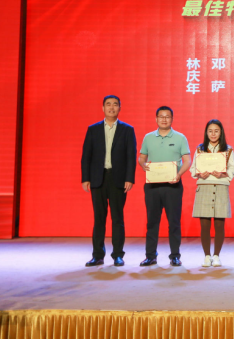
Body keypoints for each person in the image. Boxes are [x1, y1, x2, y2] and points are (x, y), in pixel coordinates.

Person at [80, 95, 137, 267]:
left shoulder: (127, 130)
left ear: (120, 108)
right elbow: (86, 156)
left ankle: (118, 255)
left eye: (115, 105)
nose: (111, 107)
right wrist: (85, 178)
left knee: (117, 218)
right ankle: (97, 255)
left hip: (118, 179)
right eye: (108, 104)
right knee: (99, 218)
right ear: (103, 108)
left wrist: (129, 178)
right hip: (98, 178)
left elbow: (131, 156)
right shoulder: (93, 129)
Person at [138, 106, 191, 267]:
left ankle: (175, 256)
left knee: (174, 222)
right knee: (152, 222)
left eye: (167, 116)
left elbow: (187, 160)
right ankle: (150, 256)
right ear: (156, 119)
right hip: (152, 186)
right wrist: (143, 165)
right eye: (161, 116)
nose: (164, 119)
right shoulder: (148, 137)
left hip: (173, 186)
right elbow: (141, 158)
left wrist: (179, 174)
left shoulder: (180, 138)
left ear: (172, 119)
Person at [190, 119, 234, 268]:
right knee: (204, 225)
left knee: (219, 225)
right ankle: (206, 256)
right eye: (210, 131)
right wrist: (199, 174)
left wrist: (223, 174)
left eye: (216, 131)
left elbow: (233, 169)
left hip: (221, 187)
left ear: (221, 132)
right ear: (206, 133)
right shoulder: (200, 149)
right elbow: (193, 169)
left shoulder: (228, 150)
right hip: (204, 187)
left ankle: (216, 256)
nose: (213, 134)